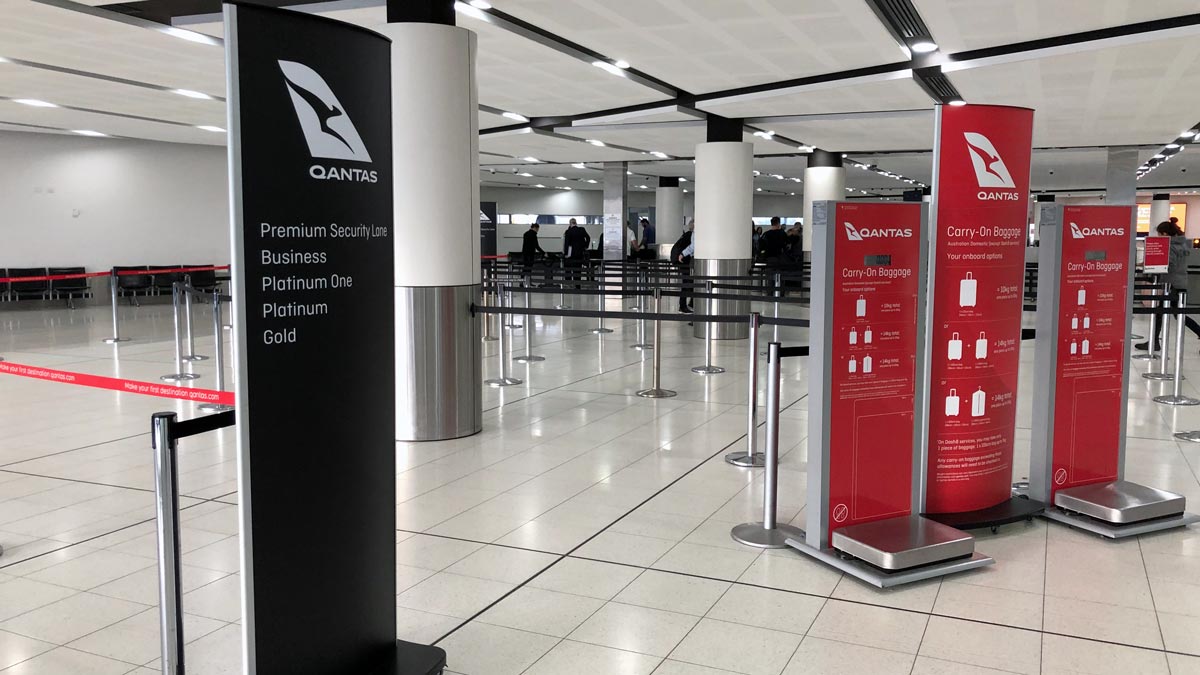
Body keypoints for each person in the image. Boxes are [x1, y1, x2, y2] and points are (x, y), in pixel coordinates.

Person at [1137, 221, 1200, 350]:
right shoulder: (1182, 244)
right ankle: (1154, 342)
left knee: (1174, 314)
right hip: (1179, 283)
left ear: (1165, 233)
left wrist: (1151, 268)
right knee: (1165, 313)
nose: (1159, 236)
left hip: (1172, 284)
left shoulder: (1171, 246)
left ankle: (1154, 342)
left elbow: (1168, 265)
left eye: (1159, 234)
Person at [672, 220, 696, 313]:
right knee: (688, 283)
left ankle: (690, 304)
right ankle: (684, 305)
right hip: (686, 262)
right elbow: (692, 247)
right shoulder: (692, 234)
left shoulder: (686, 234)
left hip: (684, 262)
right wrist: (683, 254)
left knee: (689, 283)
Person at [563, 218, 590, 288]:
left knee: (570, 269)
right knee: (578, 269)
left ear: (570, 223)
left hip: (571, 253)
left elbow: (567, 244)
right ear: (576, 223)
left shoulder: (568, 231)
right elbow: (588, 237)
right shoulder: (581, 229)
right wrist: (585, 246)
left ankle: (570, 284)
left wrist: (566, 254)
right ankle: (578, 285)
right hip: (580, 253)